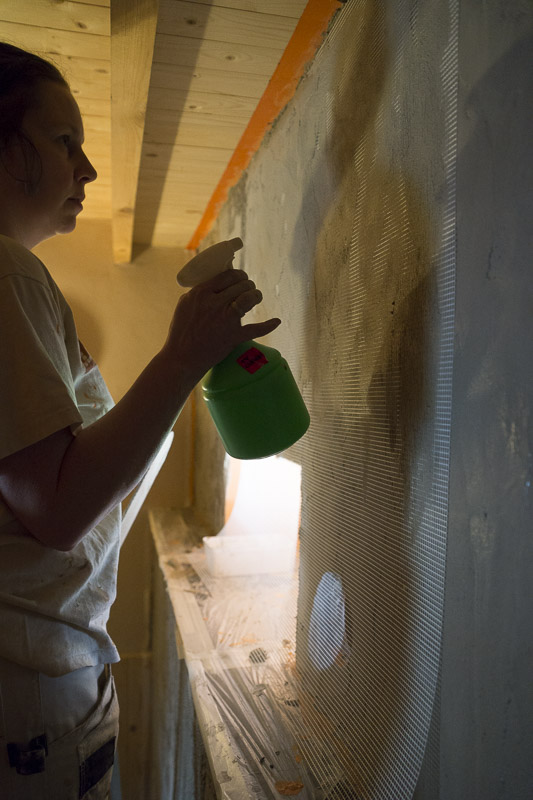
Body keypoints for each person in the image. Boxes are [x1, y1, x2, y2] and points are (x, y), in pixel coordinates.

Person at [0, 42, 280, 799]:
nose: (86, 171)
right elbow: (57, 508)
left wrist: (184, 359)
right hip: (26, 691)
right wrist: (182, 358)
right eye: (65, 144)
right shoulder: (6, 270)